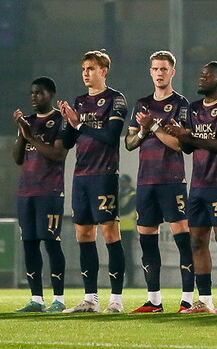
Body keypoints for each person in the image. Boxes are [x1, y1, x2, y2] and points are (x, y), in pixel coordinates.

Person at [163, 62, 217, 314]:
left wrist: (187, 136)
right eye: (201, 74)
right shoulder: (192, 109)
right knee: (197, 243)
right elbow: (187, 148)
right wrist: (181, 135)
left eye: (207, 76)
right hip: (197, 186)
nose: (201, 78)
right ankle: (204, 299)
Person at [58, 50, 128, 313]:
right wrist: (68, 123)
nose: (86, 73)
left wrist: (78, 125)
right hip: (81, 176)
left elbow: (111, 136)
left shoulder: (115, 99)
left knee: (110, 232)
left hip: (104, 175)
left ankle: (116, 301)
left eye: (91, 68)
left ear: (104, 71)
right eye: (83, 69)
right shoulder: (79, 101)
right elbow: (67, 142)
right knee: (84, 234)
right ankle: (90, 299)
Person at [124, 50, 195, 313]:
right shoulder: (141, 104)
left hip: (172, 180)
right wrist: (143, 130)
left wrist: (154, 127)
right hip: (146, 182)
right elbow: (129, 143)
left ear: (172, 72)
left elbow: (181, 144)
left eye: (164, 69)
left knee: (181, 239)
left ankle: (187, 299)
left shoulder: (181, 104)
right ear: (150, 72)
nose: (159, 73)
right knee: (147, 240)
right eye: (155, 69)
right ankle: (154, 300)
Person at [12, 76, 68, 312]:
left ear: (51, 94)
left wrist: (32, 137)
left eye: (39, 93)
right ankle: (36, 298)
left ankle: (59, 299)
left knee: (51, 243)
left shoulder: (60, 120)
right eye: (32, 93)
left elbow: (58, 155)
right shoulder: (29, 122)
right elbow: (17, 158)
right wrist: (22, 133)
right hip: (27, 192)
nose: (34, 97)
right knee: (29, 244)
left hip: (50, 192)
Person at [117, 175, 137, 288]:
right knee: (122, 255)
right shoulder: (120, 194)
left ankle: (130, 281)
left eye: (123, 182)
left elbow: (125, 209)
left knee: (128, 255)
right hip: (119, 227)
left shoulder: (132, 195)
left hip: (128, 228)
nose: (121, 184)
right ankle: (124, 280)